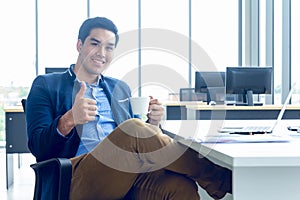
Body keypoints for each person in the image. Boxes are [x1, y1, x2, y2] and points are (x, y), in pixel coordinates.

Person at [26, 16, 232, 200]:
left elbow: (135, 142)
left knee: (180, 187)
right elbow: (38, 147)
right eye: (95, 44)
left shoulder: (119, 88)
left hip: (126, 173)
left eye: (109, 47)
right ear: (79, 45)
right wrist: (70, 119)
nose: (101, 53)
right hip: (74, 178)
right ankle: (221, 180)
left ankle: (219, 180)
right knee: (132, 128)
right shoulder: (46, 84)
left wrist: (152, 123)